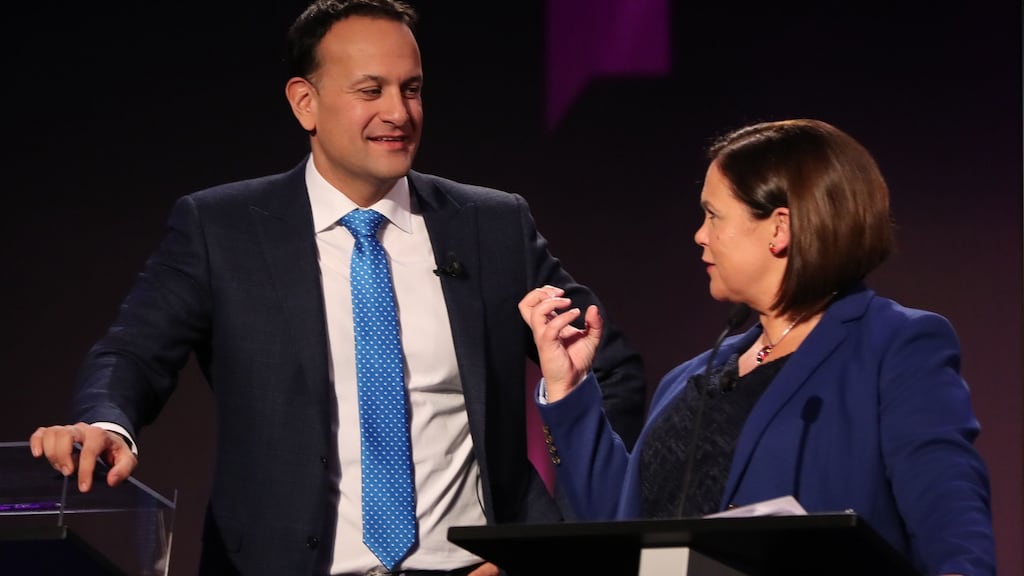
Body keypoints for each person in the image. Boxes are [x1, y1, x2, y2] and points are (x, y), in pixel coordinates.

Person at [28, 1, 646, 575]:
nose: (399, 113)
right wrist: (108, 424)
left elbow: (606, 367)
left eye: (412, 89)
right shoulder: (222, 229)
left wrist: (548, 539)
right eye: (370, 91)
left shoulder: (491, 226)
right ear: (305, 103)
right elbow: (133, 352)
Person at [519, 118, 996, 576]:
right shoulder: (689, 380)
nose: (699, 235)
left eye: (712, 214)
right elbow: (620, 528)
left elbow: (949, 519)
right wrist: (567, 388)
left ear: (779, 229)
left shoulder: (894, 346)